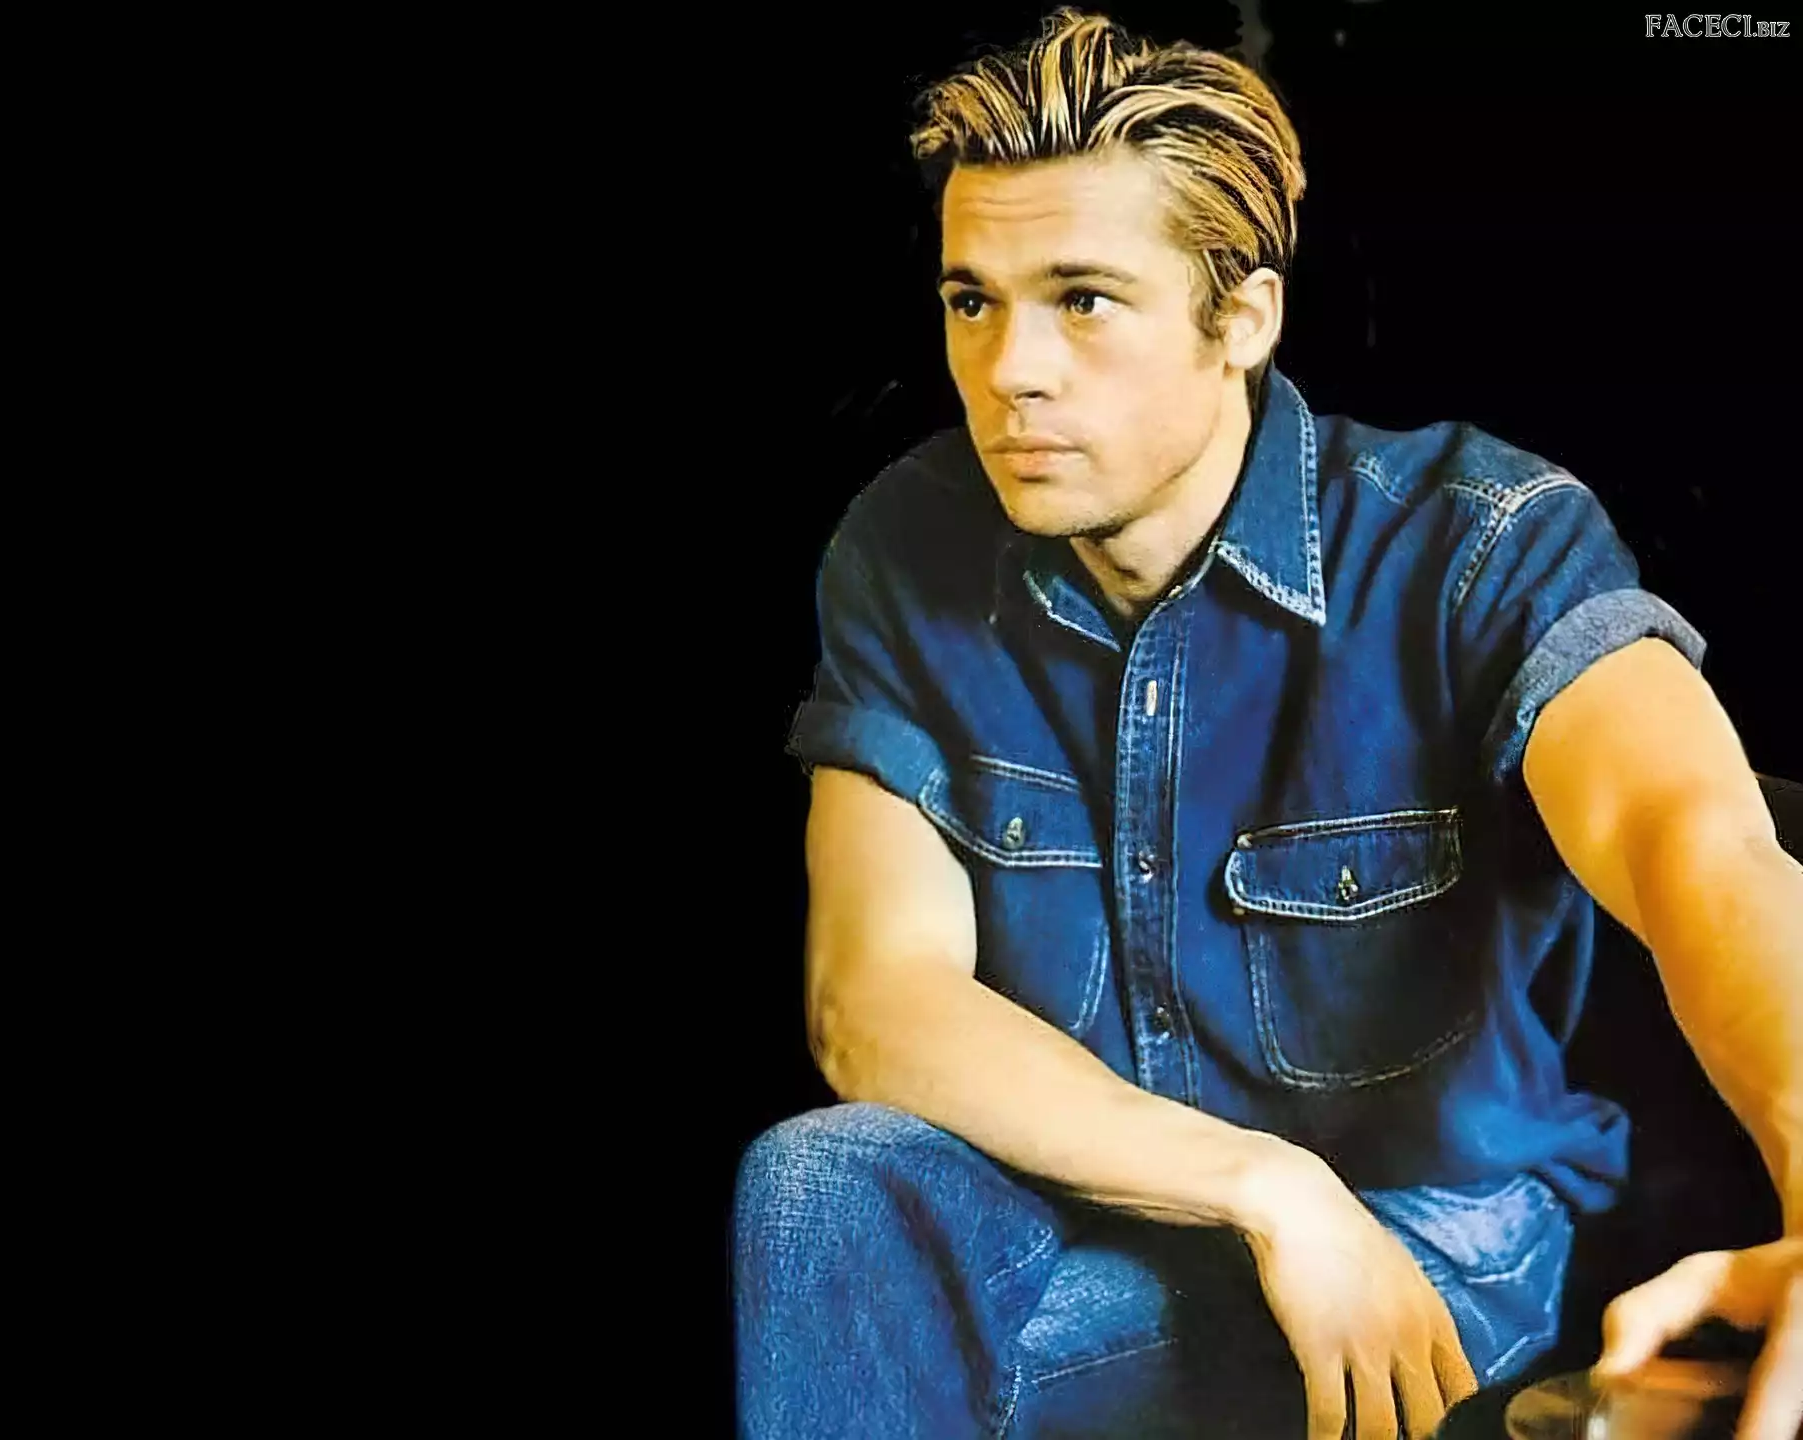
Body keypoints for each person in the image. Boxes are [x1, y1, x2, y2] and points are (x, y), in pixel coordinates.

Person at [731, 10, 1803, 1438]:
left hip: (1424, 1231)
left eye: (1083, 300)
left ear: (1242, 320)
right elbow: (873, 1002)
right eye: (972, 301)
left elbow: (1701, 842)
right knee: (822, 1182)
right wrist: (1262, 1187)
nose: (1009, 369)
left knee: (956, 1365)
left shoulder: (1477, 542)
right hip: (1089, 1204)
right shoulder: (905, 545)